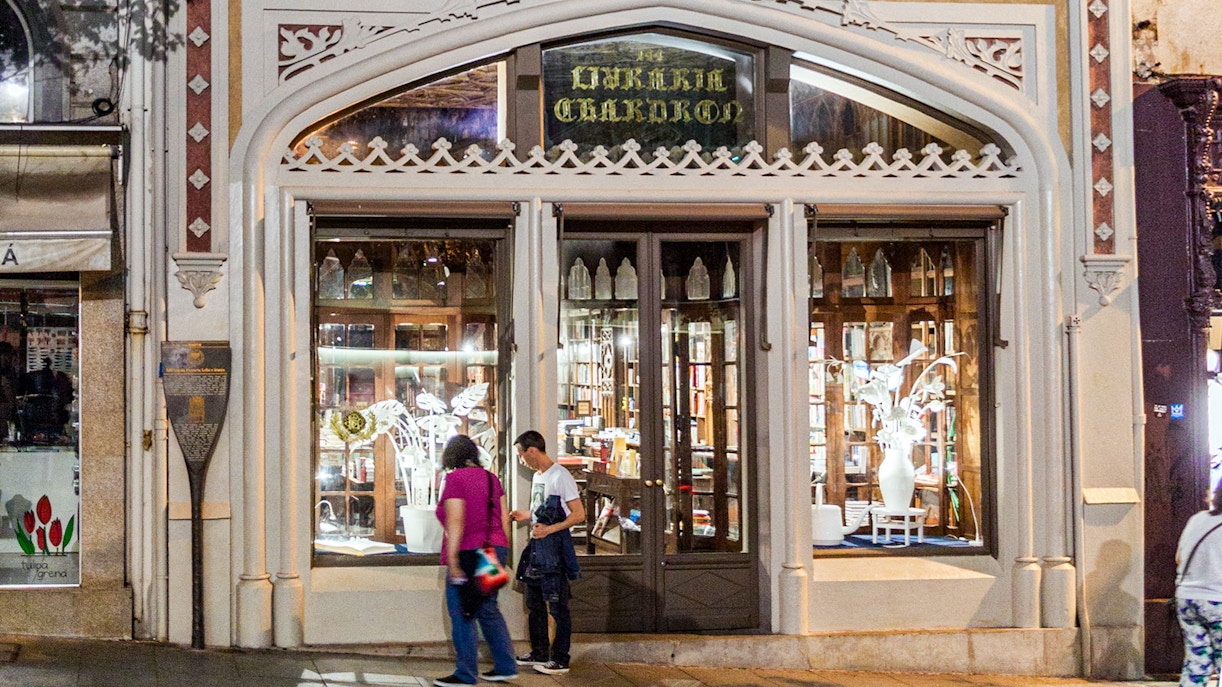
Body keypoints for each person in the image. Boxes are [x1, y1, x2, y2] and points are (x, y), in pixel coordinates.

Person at [434, 435, 516, 687]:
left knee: (462, 612)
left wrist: (454, 559)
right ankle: (505, 666)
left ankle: (465, 673)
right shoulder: (491, 478)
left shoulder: (456, 479)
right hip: (494, 548)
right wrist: (503, 553)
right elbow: (504, 518)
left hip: (469, 550)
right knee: (488, 608)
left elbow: (456, 521)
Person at [509, 430, 584, 675]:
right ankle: (539, 651)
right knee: (534, 601)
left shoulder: (560, 476)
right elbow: (544, 510)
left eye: (521, 455)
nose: (521, 461)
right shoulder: (539, 476)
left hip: (554, 549)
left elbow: (578, 514)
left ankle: (561, 658)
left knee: (557, 605)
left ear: (532, 451)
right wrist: (527, 515)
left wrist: (550, 529)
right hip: (537, 548)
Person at [1175, 479, 1222, 687]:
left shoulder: (1198, 519)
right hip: (1218, 600)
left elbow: (1179, 558)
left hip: (1187, 598)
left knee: (1197, 661)